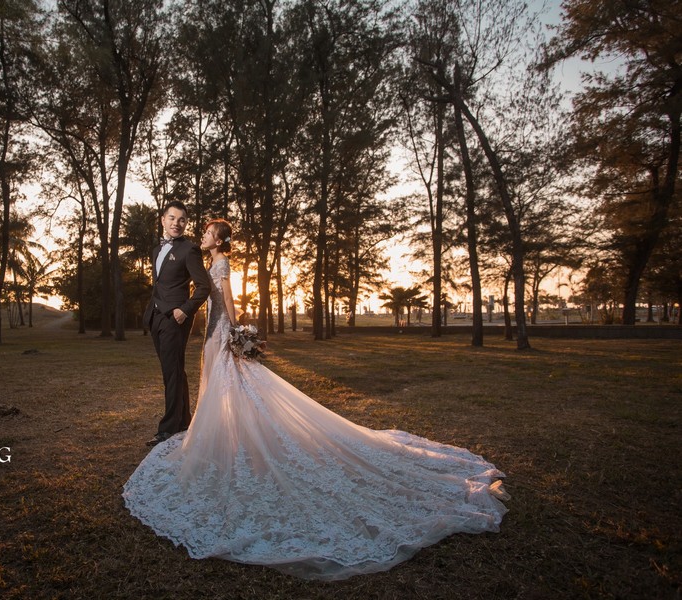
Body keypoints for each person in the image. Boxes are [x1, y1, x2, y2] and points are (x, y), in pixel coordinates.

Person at [124, 219, 509, 580]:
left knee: (234, 387)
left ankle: (241, 441)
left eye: (208, 233)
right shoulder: (211, 259)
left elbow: (228, 300)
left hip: (222, 331)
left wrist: (235, 333)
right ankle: (232, 437)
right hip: (213, 330)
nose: (202, 236)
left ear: (218, 240)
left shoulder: (220, 263)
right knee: (228, 389)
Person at [143, 201, 211, 448]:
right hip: (156, 317)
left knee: (172, 373)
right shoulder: (156, 250)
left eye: (182, 219)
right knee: (174, 371)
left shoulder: (190, 250)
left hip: (175, 319)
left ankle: (168, 429)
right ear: (163, 219)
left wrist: (185, 310)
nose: (176, 223)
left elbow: (204, 286)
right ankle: (183, 421)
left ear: (186, 223)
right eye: (172, 218)